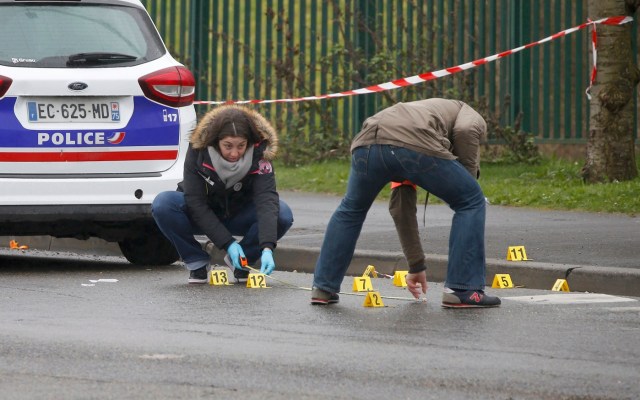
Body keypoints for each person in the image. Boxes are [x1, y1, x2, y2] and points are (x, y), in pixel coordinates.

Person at [311, 98, 500, 308]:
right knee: (471, 201)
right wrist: (467, 178)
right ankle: (464, 289)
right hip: (410, 144)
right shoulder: (467, 110)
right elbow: (466, 130)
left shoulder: (417, 116)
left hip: (366, 144)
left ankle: (323, 287)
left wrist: (416, 265)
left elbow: (401, 208)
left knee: (351, 209)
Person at [152, 105, 293, 284]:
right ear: (215, 141)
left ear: (249, 142)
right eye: (228, 146)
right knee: (163, 204)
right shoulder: (198, 150)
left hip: (240, 214)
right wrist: (228, 244)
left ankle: (243, 262)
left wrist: (266, 248)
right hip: (203, 214)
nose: (234, 153)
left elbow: (267, 200)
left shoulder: (260, 154)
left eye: (241, 146)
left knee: (282, 214)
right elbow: (195, 202)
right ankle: (196, 262)